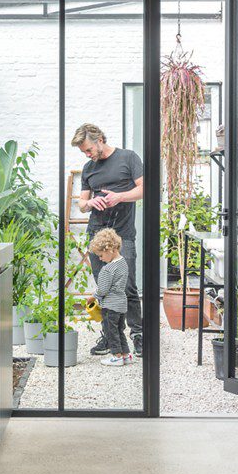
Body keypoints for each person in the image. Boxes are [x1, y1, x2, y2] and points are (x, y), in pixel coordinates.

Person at [71, 121, 143, 356]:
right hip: (97, 235)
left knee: (127, 286)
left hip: (123, 236)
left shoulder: (128, 158)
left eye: (89, 149)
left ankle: (138, 335)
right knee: (104, 288)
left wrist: (119, 197)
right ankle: (111, 336)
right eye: (83, 152)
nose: (87, 154)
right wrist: (90, 202)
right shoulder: (89, 168)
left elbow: (146, 189)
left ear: (99, 139)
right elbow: (81, 204)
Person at [89, 228, 132, 366]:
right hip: (121, 305)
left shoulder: (107, 269)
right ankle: (126, 354)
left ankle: (117, 356)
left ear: (109, 249)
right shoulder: (123, 263)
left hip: (110, 306)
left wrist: (93, 297)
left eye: (101, 255)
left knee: (110, 331)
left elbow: (102, 290)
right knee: (120, 330)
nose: (100, 259)